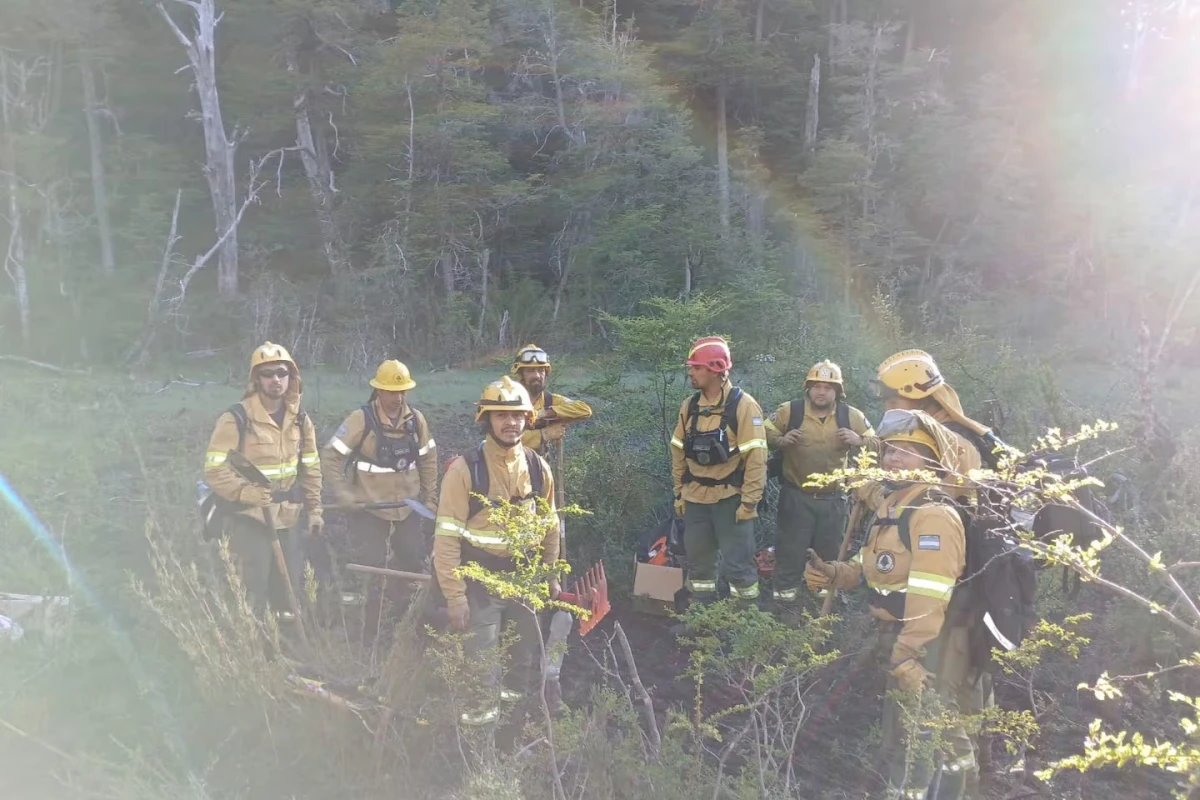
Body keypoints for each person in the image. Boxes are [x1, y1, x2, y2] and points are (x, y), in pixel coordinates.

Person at [805, 410, 978, 800]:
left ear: (931, 461)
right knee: (934, 732)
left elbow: (929, 595)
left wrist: (906, 655)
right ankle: (961, 785)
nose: (894, 458)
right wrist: (835, 573)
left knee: (915, 742)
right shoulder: (893, 505)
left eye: (908, 452)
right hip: (902, 640)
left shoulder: (933, 514)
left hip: (929, 646)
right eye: (890, 451)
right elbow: (876, 568)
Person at [433, 376, 559, 725]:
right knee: (482, 660)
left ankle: (511, 725)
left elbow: (550, 527)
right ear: (486, 419)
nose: (511, 422)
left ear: (528, 419)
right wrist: (455, 597)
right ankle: (480, 733)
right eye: (501, 415)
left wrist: (550, 575)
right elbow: (445, 538)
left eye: (517, 415)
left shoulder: (537, 467)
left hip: (526, 579)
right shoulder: (465, 470)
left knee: (522, 657)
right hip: (480, 582)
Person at [203, 342, 322, 620]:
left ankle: (287, 651)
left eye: (282, 373)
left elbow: (312, 469)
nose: (276, 380)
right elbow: (214, 469)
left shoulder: (300, 420)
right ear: (257, 379)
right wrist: (246, 493)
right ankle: (253, 654)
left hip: (288, 519)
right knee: (250, 594)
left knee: (290, 594)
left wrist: (315, 509)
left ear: (291, 377)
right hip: (250, 520)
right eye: (267, 374)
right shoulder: (236, 418)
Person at [322, 359, 438, 644]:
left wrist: (430, 497)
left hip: (407, 508)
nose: (397, 398)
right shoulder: (361, 420)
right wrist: (344, 493)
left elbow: (428, 458)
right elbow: (330, 457)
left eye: (402, 392)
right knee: (369, 567)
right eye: (390, 392)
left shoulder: (416, 421)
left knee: (412, 563)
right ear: (378, 391)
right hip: (369, 509)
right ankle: (362, 628)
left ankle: (405, 622)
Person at [764, 359, 878, 603]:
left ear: (837, 391)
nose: (822, 391)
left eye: (828, 387)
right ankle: (784, 607)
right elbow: (763, 430)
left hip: (833, 500)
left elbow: (878, 443)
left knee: (828, 555)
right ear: (808, 388)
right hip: (796, 498)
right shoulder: (790, 411)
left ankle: (823, 605)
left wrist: (858, 440)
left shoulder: (851, 416)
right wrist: (781, 441)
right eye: (817, 386)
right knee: (790, 553)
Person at [670, 336, 768, 603]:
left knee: (737, 568)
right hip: (695, 500)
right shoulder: (690, 407)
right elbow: (678, 451)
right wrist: (680, 493)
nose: (690, 372)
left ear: (715, 369)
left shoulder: (744, 406)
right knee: (700, 568)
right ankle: (702, 623)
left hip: (731, 501)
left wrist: (748, 502)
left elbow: (756, 458)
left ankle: (743, 628)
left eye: (696, 367)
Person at [870, 349, 1006, 474]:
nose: (888, 410)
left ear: (922, 401)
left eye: (894, 403)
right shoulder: (919, 433)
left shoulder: (955, 441)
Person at [511, 344, 593, 455]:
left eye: (541, 371)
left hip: (540, 469)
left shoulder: (550, 400)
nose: (537, 375)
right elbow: (504, 442)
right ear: (520, 375)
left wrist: (546, 413)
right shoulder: (508, 402)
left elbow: (584, 410)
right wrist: (544, 434)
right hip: (508, 469)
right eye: (530, 371)